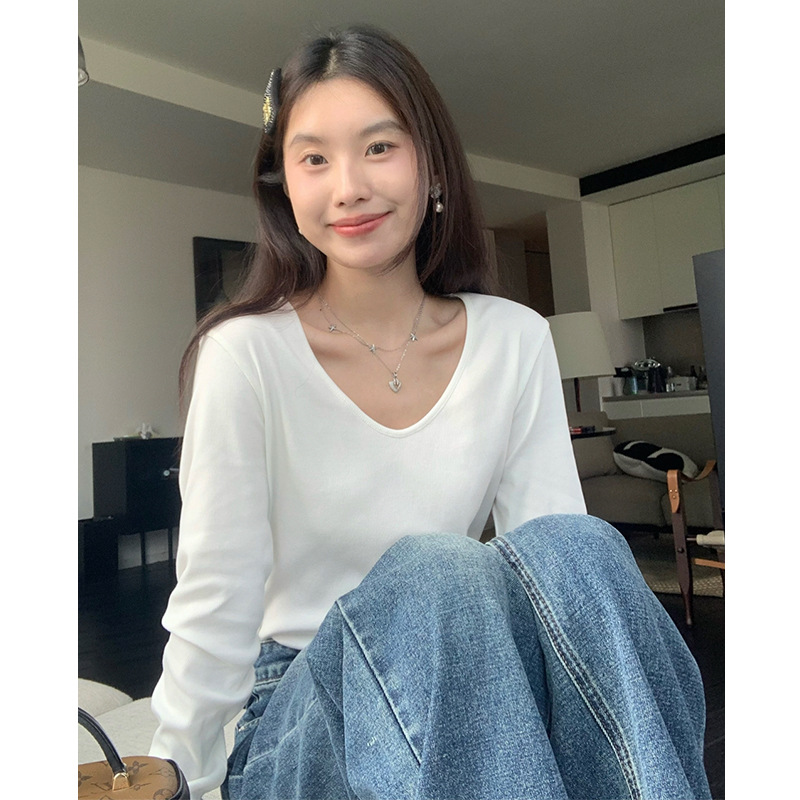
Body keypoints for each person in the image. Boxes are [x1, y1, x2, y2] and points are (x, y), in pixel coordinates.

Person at [149, 25, 711, 800]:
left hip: (467, 692)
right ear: (285, 187)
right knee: (437, 570)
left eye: (379, 147)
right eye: (314, 159)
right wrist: (176, 774)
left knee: (578, 545)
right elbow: (215, 595)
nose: (348, 187)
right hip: (301, 711)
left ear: (433, 166)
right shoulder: (245, 352)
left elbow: (552, 573)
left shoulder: (514, 337)